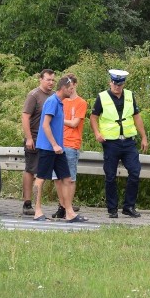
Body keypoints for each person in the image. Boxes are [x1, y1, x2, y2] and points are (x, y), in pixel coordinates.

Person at [90, 69, 149, 218]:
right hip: (110, 142)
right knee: (110, 176)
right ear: (110, 82)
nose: (117, 87)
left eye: (120, 84)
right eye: (115, 84)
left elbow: (137, 117)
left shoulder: (129, 95)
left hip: (128, 142)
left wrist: (144, 137)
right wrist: (97, 133)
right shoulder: (102, 97)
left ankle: (129, 206)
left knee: (135, 172)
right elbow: (93, 117)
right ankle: (112, 209)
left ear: (123, 84)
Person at [32, 75, 86, 223]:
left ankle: (69, 213)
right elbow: (45, 125)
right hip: (48, 148)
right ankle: (37, 211)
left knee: (67, 178)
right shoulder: (52, 102)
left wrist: (58, 146)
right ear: (63, 89)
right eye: (70, 88)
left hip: (59, 149)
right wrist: (54, 144)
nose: (72, 90)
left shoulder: (61, 103)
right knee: (41, 179)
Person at [51, 73, 88, 219]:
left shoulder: (81, 103)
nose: (70, 90)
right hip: (58, 142)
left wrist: (60, 119)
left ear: (75, 85)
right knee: (57, 178)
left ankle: (68, 208)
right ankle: (62, 205)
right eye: (68, 87)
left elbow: (74, 123)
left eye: (72, 87)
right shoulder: (61, 101)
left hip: (72, 143)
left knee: (70, 178)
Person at [21, 69, 55, 216]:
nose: (51, 83)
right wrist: (28, 138)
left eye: (53, 80)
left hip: (47, 140)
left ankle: (39, 203)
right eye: (48, 79)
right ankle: (27, 203)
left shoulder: (54, 96)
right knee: (30, 169)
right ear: (40, 79)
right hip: (34, 138)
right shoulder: (34, 95)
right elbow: (25, 117)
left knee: (42, 172)